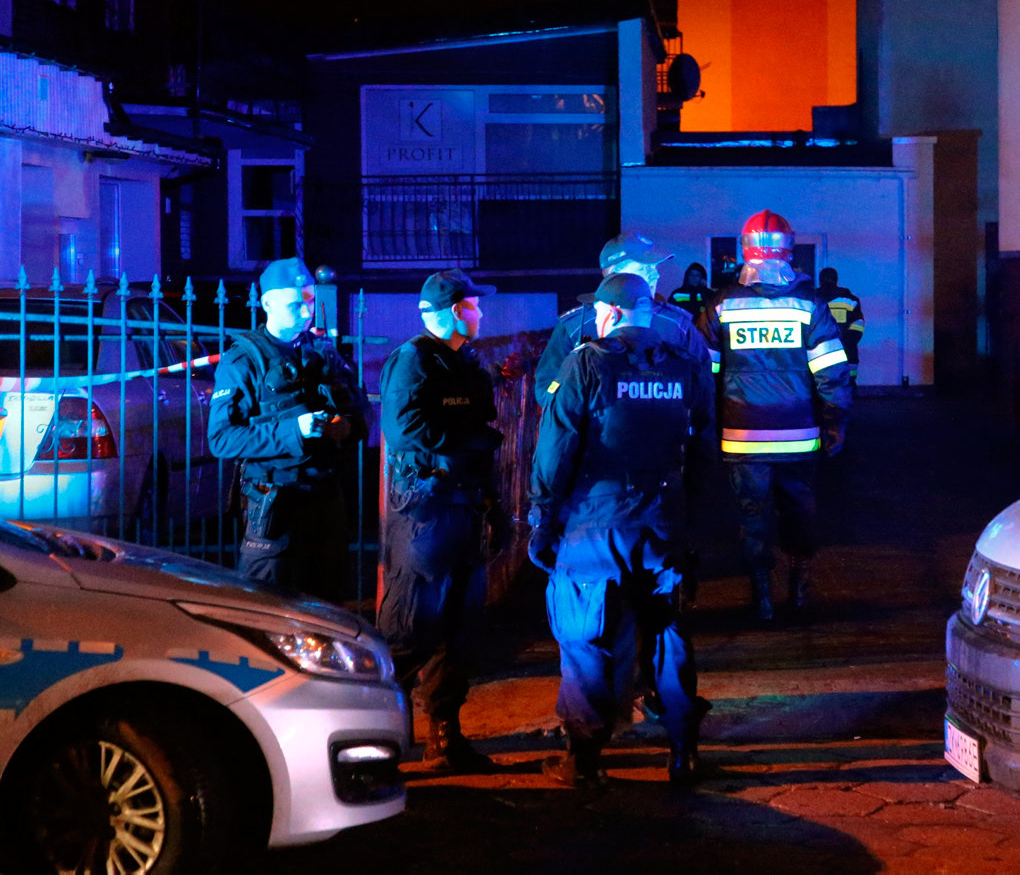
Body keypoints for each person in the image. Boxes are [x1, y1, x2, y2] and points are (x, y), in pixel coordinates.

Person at [527, 272, 715, 788]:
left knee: (586, 638)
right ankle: (684, 753)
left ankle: (584, 760)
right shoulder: (686, 367)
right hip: (664, 525)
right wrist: (693, 523)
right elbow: (704, 452)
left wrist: (541, 519)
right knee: (668, 636)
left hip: (596, 527)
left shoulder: (587, 362)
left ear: (607, 315)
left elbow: (555, 450)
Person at [378, 269, 505, 773]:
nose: (481, 313)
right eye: (475, 305)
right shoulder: (413, 361)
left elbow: (482, 429)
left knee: (458, 629)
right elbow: (403, 429)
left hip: (463, 508)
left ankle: (445, 738)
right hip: (424, 515)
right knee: (409, 627)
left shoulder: (465, 364)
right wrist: (462, 448)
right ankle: (379, 740)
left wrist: (490, 496)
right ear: (456, 310)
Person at [697, 211, 852, 622]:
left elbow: (703, 377)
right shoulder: (810, 305)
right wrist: (836, 422)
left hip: (741, 435)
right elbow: (832, 372)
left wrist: (705, 431)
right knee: (800, 509)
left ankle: (762, 595)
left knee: (752, 515)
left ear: (744, 251)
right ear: (789, 249)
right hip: (799, 435)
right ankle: (799, 587)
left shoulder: (720, 306)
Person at [208, 257, 369, 601]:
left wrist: (348, 427)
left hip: (325, 501)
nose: (305, 310)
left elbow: (360, 411)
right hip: (277, 506)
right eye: (295, 302)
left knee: (328, 609)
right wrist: (294, 431)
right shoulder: (244, 360)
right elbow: (221, 439)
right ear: (267, 303)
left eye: (310, 300)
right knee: (267, 607)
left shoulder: (323, 351)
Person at [533, 232, 709, 406]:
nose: (656, 275)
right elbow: (547, 389)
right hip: (598, 434)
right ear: (614, 274)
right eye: (644, 268)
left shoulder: (677, 325)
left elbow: (704, 385)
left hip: (665, 433)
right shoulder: (575, 327)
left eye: (655, 268)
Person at [815, 267, 865, 387]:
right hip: (846, 350)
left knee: (820, 386)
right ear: (836, 280)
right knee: (847, 384)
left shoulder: (811, 299)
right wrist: (847, 342)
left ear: (820, 280)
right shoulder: (850, 300)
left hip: (818, 350)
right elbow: (858, 324)